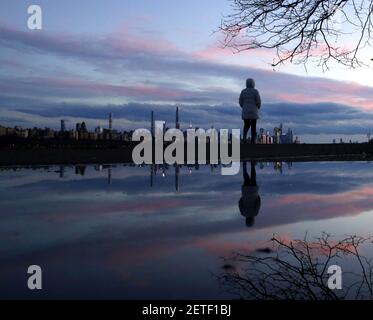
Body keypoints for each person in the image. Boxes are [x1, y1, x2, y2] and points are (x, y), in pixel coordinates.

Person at [239, 161, 261, 227]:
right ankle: (244, 166)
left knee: (253, 177)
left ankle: (252, 165)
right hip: (245, 191)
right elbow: (240, 203)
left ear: (252, 221)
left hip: (253, 191)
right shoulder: (243, 213)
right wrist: (243, 198)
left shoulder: (255, 213)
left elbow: (258, 203)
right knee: (246, 179)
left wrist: (258, 197)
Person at [239, 78, 261, 144]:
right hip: (254, 111)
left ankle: (244, 138)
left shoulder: (243, 91)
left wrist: (243, 107)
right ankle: (253, 140)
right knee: (253, 126)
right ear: (253, 83)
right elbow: (258, 101)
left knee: (246, 125)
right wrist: (258, 107)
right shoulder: (255, 91)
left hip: (245, 111)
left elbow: (240, 101)